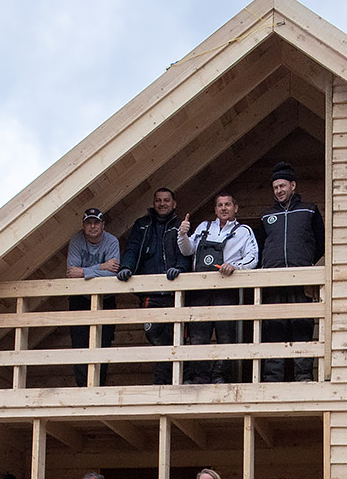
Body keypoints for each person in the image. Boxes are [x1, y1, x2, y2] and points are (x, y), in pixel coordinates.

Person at [176, 192, 259, 383]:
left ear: (235, 208)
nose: (224, 208)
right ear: (215, 209)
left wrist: (235, 267)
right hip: (200, 290)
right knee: (198, 336)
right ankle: (200, 377)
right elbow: (187, 249)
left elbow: (253, 257)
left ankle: (221, 377)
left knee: (226, 334)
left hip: (226, 290)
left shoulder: (243, 231)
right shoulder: (204, 227)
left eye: (227, 204)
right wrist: (182, 234)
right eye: (220, 205)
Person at [117, 188, 191, 385]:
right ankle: (168, 380)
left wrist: (180, 270)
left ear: (174, 203)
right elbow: (132, 248)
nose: (162, 203)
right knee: (154, 332)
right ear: (153, 202)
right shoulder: (142, 225)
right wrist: (126, 267)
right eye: (158, 200)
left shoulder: (179, 225)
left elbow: (187, 252)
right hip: (151, 292)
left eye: (166, 200)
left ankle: (170, 382)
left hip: (175, 292)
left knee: (178, 339)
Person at [259, 161, 324, 382]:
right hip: (273, 280)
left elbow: (320, 242)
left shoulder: (309, 210)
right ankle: (272, 378)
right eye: (275, 187)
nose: (279, 191)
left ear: (293, 185)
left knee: (302, 327)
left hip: (301, 278)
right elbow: (260, 247)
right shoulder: (266, 216)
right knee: (273, 329)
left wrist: (303, 261)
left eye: (282, 186)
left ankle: (303, 377)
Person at [65, 208, 121, 387]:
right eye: (88, 223)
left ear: (103, 225)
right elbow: (71, 273)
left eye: (96, 222)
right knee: (79, 343)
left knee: (103, 343)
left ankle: (99, 386)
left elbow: (113, 275)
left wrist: (84, 272)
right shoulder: (76, 240)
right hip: (80, 299)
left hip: (106, 299)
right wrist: (102, 266)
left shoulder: (111, 241)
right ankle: (83, 388)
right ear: (83, 226)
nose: (93, 226)